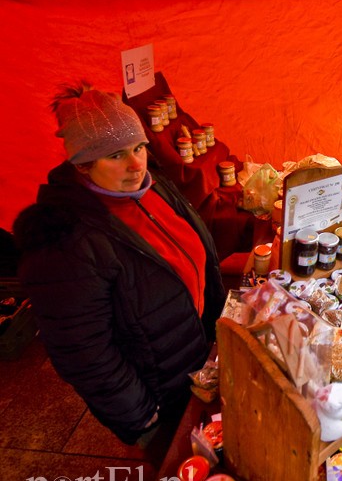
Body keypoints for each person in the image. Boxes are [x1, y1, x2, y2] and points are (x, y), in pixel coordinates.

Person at [12, 82, 225, 449]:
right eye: (115, 155)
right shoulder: (65, 241)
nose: (135, 164)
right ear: (82, 165)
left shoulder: (150, 186)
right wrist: (142, 416)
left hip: (196, 362)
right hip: (161, 394)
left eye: (139, 147)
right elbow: (83, 353)